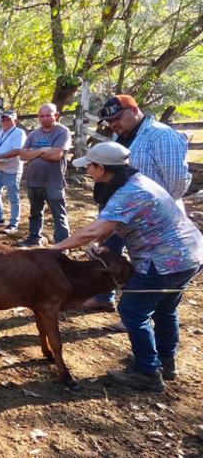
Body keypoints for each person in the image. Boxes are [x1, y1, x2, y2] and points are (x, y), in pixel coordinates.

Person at [55, 142, 203, 392]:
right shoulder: (136, 181)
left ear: (101, 168)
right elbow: (113, 226)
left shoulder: (129, 193)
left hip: (164, 261)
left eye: (89, 167)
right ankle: (165, 362)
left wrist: (53, 249)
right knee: (165, 309)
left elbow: (95, 228)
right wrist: (97, 242)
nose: (88, 172)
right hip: (189, 255)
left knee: (133, 311)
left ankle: (146, 372)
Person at [85, 95, 193, 310]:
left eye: (117, 118)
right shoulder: (120, 137)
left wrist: (151, 206)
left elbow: (177, 182)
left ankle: (140, 310)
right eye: (110, 121)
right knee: (107, 254)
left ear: (134, 110)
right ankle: (104, 297)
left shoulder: (162, 136)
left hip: (151, 218)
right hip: (119, 212)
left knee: (148, 264)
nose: (113, 124)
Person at [17, 103, 71, 246]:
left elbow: (56, 155)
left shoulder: (62, 132)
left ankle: (62, 244)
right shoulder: (34, 133)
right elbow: (22, 155)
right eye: (42, 116)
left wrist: (33, 152)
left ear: (56, 115)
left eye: (48, 115)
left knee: (58, 214)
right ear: (38, 118)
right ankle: (34, 238)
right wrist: (43, 150)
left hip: (53, 181)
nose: (45, 118)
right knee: (35, 212)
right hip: (33, 181)